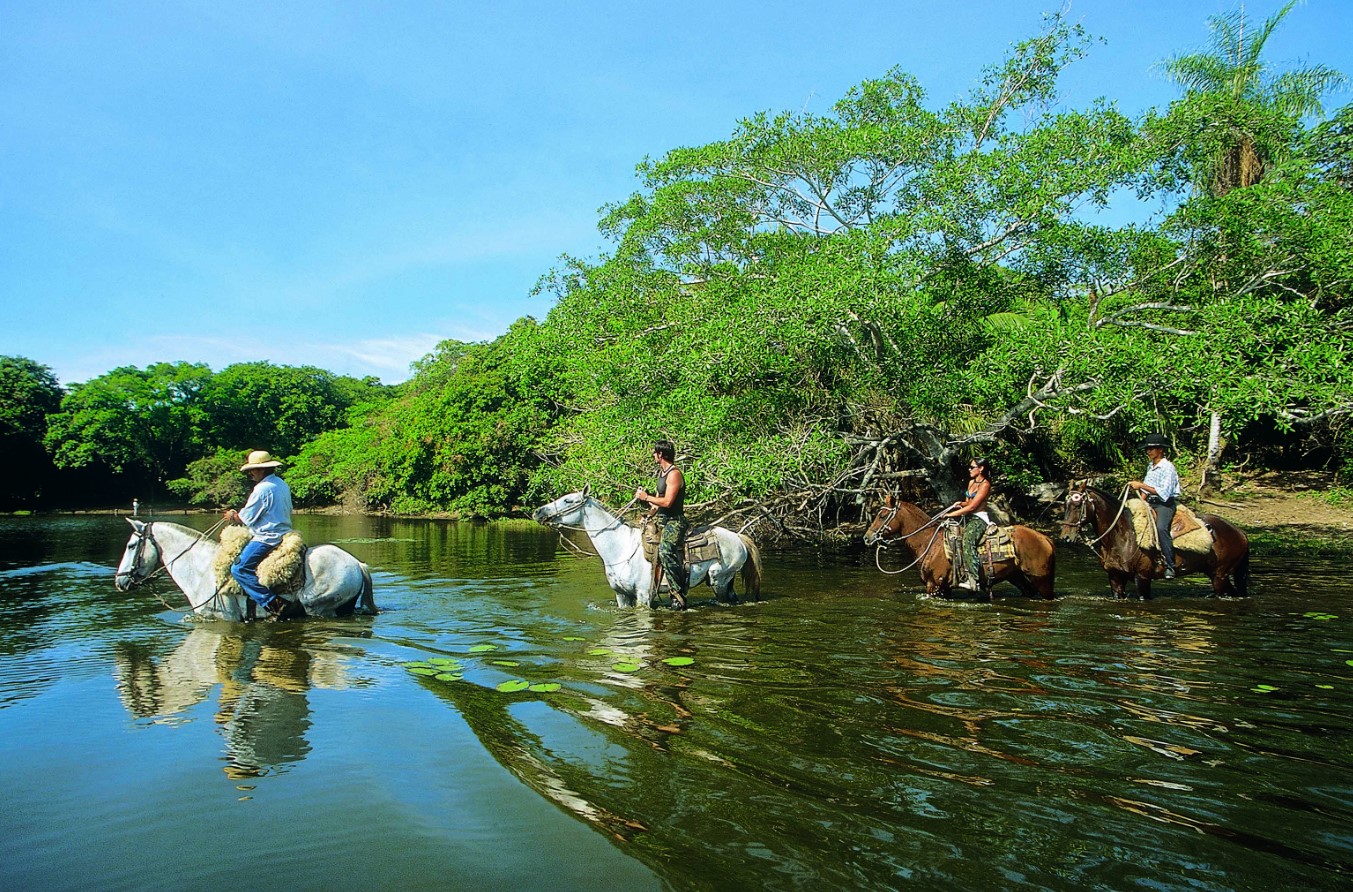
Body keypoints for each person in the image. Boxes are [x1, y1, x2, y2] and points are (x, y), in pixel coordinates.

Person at [223, 450, 294, 620]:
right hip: (284, 532)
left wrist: (233, 516)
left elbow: (246, 518)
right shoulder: (281, 483)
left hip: (267, 537)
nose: (251, 474)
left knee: (238, 569)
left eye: (252, 470)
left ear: (262, 470)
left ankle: (273, 602)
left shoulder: (262, 489)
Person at [635, 439, 689, 609]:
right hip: (662, 520)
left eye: (654, 453)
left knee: (665, 550)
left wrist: (646, 497)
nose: (653, 455)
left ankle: (677, 593)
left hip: (675, 521)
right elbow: (657, 504)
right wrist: (648, 516)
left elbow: (667, 502)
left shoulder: (674, 474)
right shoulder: (662, 474)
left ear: (661, 454)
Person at [1129, 432, 1181, 578]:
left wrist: (1140, 485)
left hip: (1164, 504)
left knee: (1161, 528)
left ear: (1161, 450)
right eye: (1148, 449)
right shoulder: (1150, 467)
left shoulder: (1168, 467)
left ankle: (1171, 565)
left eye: (1152, 448)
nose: (1149, 451)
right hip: (1150, 502)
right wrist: (1141, 500)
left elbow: (1164, 492)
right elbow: (1146, 488)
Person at [947, 457, 994, 592]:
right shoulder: (971, 482)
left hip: (979, 518)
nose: (969, 469)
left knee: (968, 541)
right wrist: (960, 503)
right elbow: (968, 502)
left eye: (972, 467)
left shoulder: (985, 485)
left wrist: (951, 514)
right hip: (968, 517)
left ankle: (974, 580)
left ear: (981, 469)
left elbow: (973, 507)